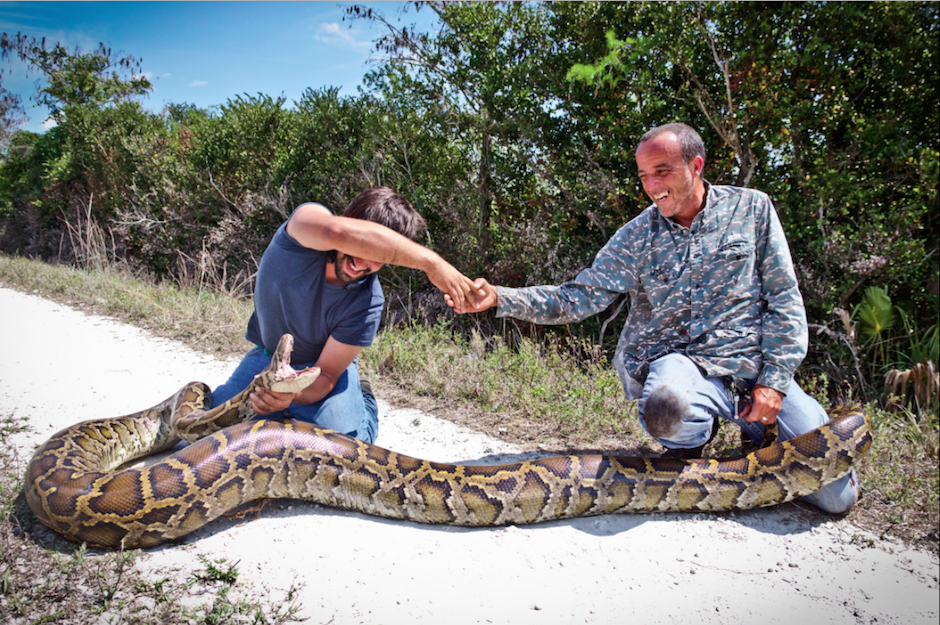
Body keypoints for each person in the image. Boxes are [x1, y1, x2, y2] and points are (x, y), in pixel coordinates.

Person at [448, 123, 858, 514]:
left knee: (837, 497)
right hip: (685, 368)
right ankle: (692, 444)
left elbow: (784, 298)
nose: (652, 186)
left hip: (753, 369)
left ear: (696, 166)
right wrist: (500, 298)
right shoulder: (637, 236)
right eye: (644, 175)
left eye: (662, 171)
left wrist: (775, 380)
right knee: (665, 406)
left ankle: (758, 436)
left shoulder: (752, 209)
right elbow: (577, 298)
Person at [212, 186, 483, 444]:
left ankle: (364, 402)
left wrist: (290, 394)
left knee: (346, 447)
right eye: (364, 247)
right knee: (210, 436)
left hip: (318, 370)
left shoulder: (369, 300)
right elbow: (337, 230)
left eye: (380, 257)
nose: (364, 263)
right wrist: (432, 263)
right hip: (268, 358)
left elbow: (327, 374)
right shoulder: (301, 231)